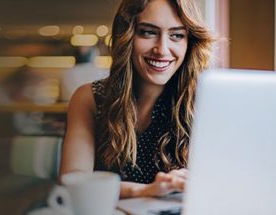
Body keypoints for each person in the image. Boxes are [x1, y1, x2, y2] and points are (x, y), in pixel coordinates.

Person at [60, 0, 213, 198]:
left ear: (189, 42)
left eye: (176, 35)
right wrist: (145, 190)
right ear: (126, 35)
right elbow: (72, 182)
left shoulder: (205, 103)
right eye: (148, 32)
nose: (162, 49)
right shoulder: (89, 98)